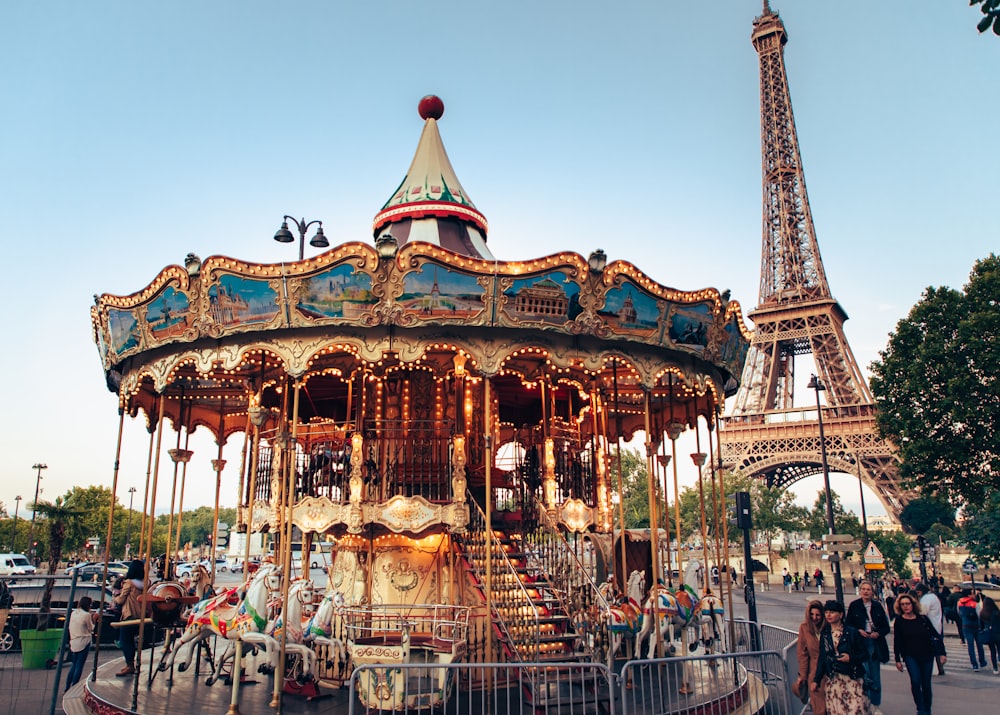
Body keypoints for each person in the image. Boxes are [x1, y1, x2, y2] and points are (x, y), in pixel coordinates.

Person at [813, 599, 870, 715]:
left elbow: (865, 654)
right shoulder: (825, 634)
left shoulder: (852, 632)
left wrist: (851, 658)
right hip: (834, 680)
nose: (828, 615)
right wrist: (816, 679)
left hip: (852, 679)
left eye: (832, 612)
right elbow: (823, 658)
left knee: (856, 710)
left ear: (841, 614)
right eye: (826, 612)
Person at [893, 592, 943, 715]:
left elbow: (935, 635)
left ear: (913, 604)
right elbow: (897, 641)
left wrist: (942, 653)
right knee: (915, 681)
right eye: (902, 604)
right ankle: (920, 708)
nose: (905, 606)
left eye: (907, 604)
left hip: (927, 654)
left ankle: (927, 709)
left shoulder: (923, 619)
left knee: (926, 684)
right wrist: (897, 659)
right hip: (910, 655)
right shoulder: (899, 621)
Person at [846, 580, 890, 714]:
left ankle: (875, 705)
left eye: (868, 589)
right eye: (863, 589)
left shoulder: (877, 606)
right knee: (864, 674)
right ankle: (864, 702)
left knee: (875, 675)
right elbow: (848, 625)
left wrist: (878, 633)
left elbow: (886, 627)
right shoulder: (854, 605)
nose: (866, 591)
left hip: (873, 642)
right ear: (860, 591)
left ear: (872, 592)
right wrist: (858, 631)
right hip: (860, 642)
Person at [112, 559, 146, 677]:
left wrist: (115, 597)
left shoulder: (129, 584)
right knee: (131, 640)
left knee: (125, 640)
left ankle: (130, 665)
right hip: (140, 615)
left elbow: (121, 600)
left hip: (129, 615)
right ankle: (132, 664)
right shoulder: (145, 584)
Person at [796, 600, 827, 715]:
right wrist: (803, 675)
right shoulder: (804, 628)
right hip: (814, 674)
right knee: (820, 709)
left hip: (830, 673)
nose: (815, 618)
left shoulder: (827, 627)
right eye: (812, 615)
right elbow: (802, 654)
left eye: (818, 615)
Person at [65, 596, 97, 691]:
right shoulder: (86, 615)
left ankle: (67, 687)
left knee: (74, 664)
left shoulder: (73, 613)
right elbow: (91, 628)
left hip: (74, 641)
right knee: (79, 665)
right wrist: (94, 618)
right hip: (84, 640)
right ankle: (74, 687)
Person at [915, 582, 945, 675]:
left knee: (932, 648)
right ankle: (940, 668)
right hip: (936, 624)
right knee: (937, 647)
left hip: (930, 626)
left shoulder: (926, 599)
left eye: (918, 593)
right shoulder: (933, 597)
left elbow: (922, 612)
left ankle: (935, 669)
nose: (918, 595)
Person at [957, 589, 986, 671]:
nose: (974, 595)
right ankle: (982, 661)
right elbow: (980, 615)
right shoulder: (975, 604)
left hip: (965, 625)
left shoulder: (959, 603)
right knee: (979, 644)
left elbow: (959, 613)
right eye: (973, 594)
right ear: (969, 595)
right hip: (976, 626)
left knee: (970, 646)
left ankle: (974, 664)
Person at [978, 595, 1000, 674]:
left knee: (992, 651)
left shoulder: (982, 613)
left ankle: (995, 668)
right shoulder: (996, 612)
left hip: (988, 634)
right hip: (997, 633)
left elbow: (980, 625)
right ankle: (999, 660)